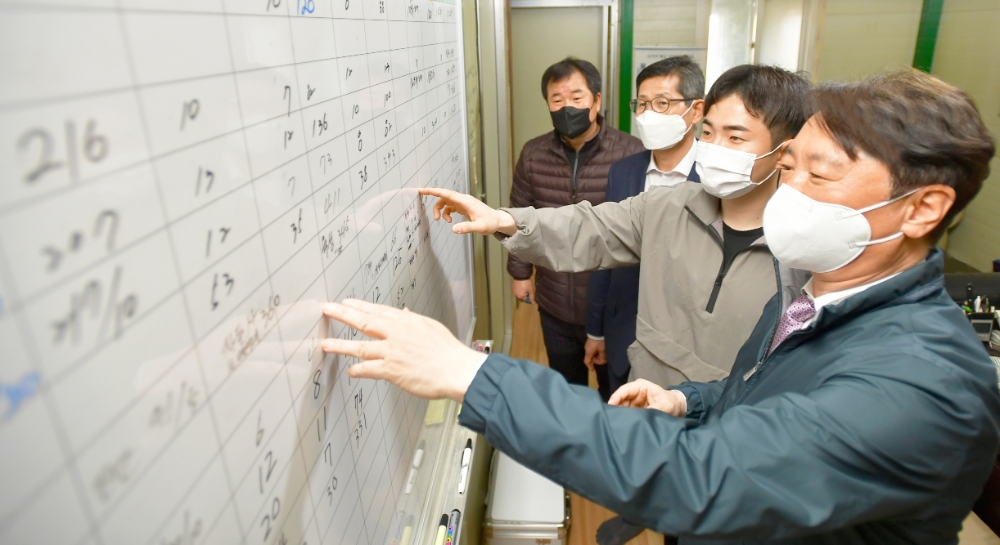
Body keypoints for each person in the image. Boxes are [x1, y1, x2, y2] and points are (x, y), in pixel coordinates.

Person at [323, 68, 1000, 544]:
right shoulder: (823, 293)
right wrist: (689, 402)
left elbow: (705, 476)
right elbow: (759, 393)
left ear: (923, 208)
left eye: (816, 174)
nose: (790, 188)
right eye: (792, 166)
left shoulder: (922, 384)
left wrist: (472, 376)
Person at [507, 56, 643, 398]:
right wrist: (520, 273)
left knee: (616, 391)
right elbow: (520, 212)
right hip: (555, 300)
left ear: (596, 101)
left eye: (577, 97)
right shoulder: (533, 154)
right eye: (557, 99)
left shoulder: (630, 152)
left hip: (613, 306)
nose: (567, 106)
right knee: (568, 390)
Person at [586, 56, 705, 398]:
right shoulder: (623, 172)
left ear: (696, 110)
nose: (649, 113)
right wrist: (596, 330)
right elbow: (604, 249)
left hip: (690, 346)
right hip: (624, 333)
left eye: (662, 103)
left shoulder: (715, 178)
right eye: (642, 103)